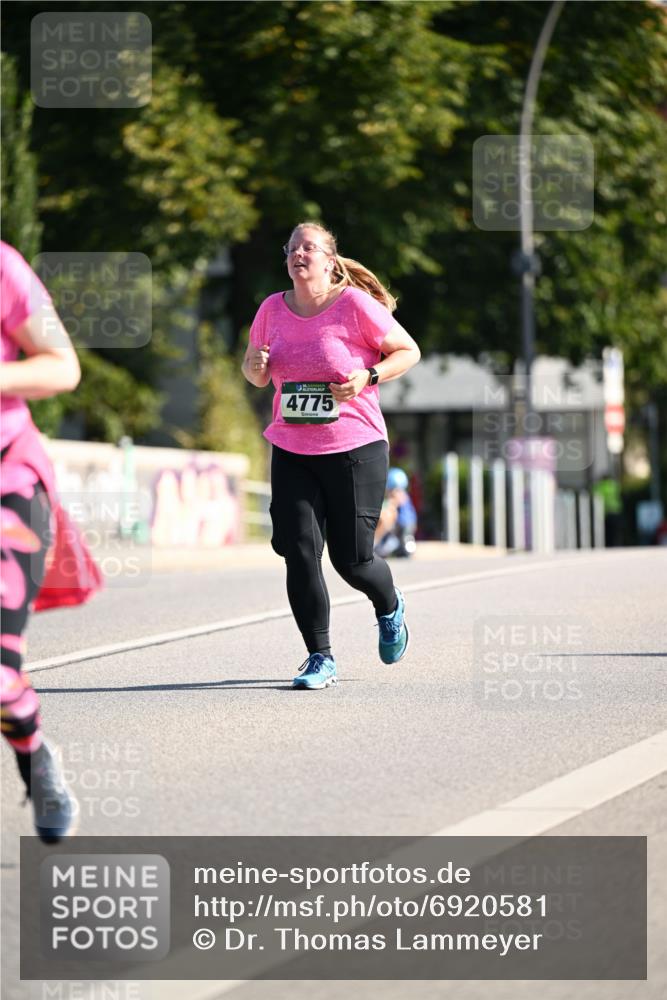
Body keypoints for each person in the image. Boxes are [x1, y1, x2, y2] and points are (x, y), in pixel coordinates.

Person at [242, 222, 420, 690]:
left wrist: (369, 377)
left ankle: (389, 606)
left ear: (329, 260)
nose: (298, 254)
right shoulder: (270, 310)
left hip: (355, 446)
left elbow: (408, 350)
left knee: (353, 559)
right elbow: (255, 371)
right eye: (292, 248)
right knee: (299, 552)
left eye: (308, 248)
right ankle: (320, 657)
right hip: (292, 446)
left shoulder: (354, 306)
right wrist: (255, 367)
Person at [1, 240, 81, 841]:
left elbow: (62, 365)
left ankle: (37, 764)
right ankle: (34, 749)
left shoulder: (3, 267)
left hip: (8, 487)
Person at [374, 467, 418, 558]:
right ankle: (388, 545)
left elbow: (389, 509)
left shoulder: (397, 495)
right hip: (404, 528)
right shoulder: (403, 494)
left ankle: (375, 543)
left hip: (400, 527)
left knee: (386, 515)